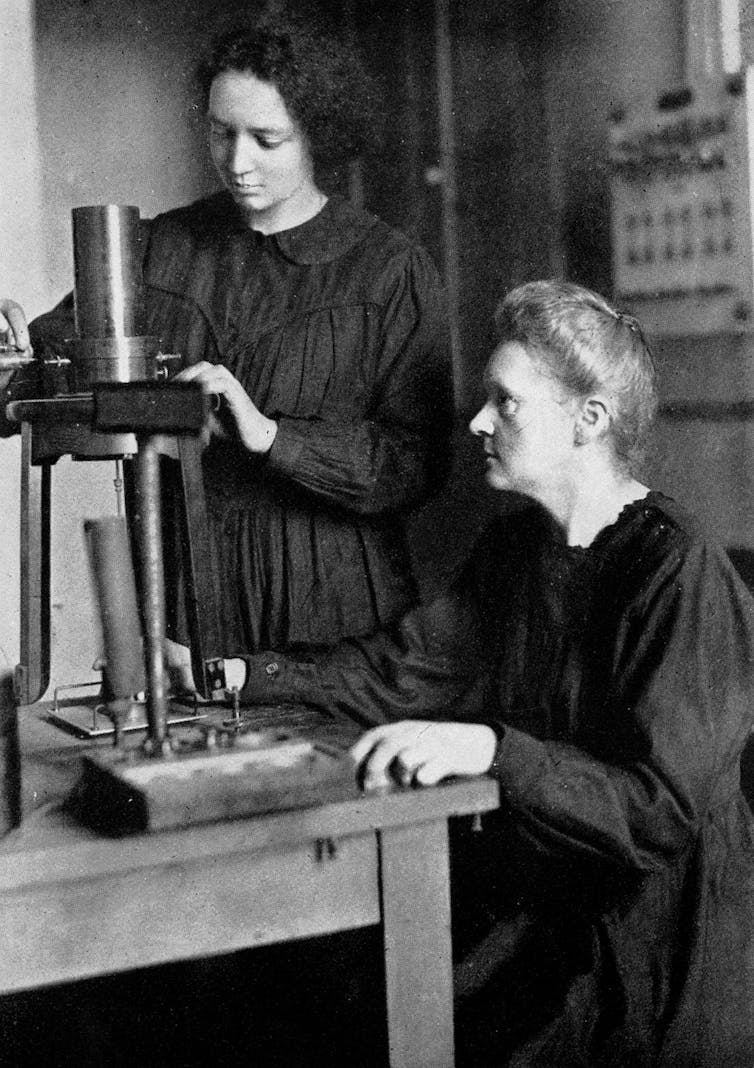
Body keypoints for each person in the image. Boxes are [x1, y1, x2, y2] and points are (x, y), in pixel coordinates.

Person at [231, 280, 754, 1066]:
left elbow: (658, 810)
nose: (478, 421)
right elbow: (397, 673)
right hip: (558, 916)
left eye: (505, 403)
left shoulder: (678, 568)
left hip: (660, 950)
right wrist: (240, 673)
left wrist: (489, 750)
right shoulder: (516, 552)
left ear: (589, 420)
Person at [0, 13, 452, 668]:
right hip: (188, 607)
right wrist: (12, 362)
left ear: (317, 134)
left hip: (333, 610)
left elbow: (418, 462)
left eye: (267, 139)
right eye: (221, 133)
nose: (237, 162)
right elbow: (43, 375)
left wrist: (271, 435)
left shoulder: (388, 271)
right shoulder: (156, 250)